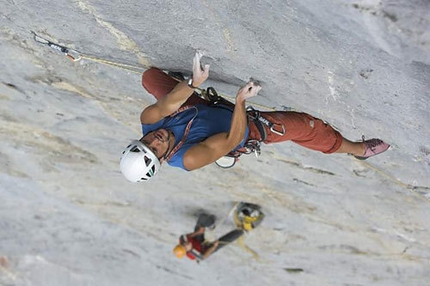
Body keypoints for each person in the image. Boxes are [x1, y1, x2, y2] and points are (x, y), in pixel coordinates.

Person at [120, 52, 390, 182]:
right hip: (242, 128)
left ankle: (195, 94)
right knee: (308, 127)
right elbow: (233, 137)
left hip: (198, 107)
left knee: (150, 78)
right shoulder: (187, 158)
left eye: (146, 142)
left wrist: (192, 82)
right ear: (163, 159)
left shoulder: (150, 121)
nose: (155, 139)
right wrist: (239, 101)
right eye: (155, 149)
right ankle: (359, 149)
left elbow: (168, 104)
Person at [173, 213, 244, 262]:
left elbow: (189, 236)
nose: (186, 245)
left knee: (202, 218)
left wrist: (199, 232)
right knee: (222, 242)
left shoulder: (183, 239)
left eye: (183, 245)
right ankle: (241, 230)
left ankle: (210, 223)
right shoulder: (193, 254)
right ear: (187, 251)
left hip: (197, 240)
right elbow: (203, 257)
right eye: (185, 248)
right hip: (204, 249)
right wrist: (213, 246)